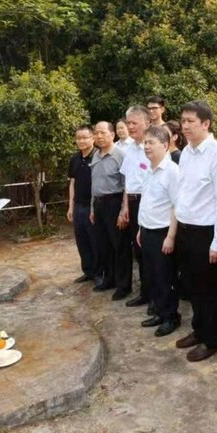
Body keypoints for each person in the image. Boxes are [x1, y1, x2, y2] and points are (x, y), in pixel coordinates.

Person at [173, 100, 217, 362]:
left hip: (207, 232)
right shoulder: (187, 151)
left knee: (209, 289)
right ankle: (198, 330)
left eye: (191, 122)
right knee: (191, 285)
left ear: (206, 124)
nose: (185, 126)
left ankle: (211, 340)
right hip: (186, 229)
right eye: (183, 121)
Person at [136, 125, 181, 336]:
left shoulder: (172, 172)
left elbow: (176, 206)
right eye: (145, 142)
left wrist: (171, 236)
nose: (146, 147)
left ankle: (171, 317)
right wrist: (140, 228)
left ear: (165, 145)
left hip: (163, 232)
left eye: (151, 142)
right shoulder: (149, 168)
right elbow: (146, 200)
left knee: (165, 278)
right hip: (147, 230)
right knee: (152, 275)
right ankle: (160, 312)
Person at [90, 121, 132, 300]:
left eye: (102, 133)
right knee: (104, 244)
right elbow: (94, 184)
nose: (99, 136)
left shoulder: (121, 155)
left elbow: (126, 185)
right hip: (99, 204)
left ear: (112, 134)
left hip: (114, 203)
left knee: (120, 245)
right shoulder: (96, 155)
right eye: (96, 133)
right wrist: (92, 207)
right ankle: (109, 278)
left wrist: (124, 210)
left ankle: (124, 285)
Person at [119, 105, 152, 307]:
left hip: (148, 203)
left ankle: (157, 297)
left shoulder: (152, 146)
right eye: (128, 122)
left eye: (134, 123)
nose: (130, 127)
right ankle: (145, 293)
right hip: (132, 201)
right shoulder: (129, 148)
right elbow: (127, 181)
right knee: (138, 251)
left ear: (147, 123)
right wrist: (125, 207)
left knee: (150, 253)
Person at [68, 125, 100, 284]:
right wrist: (70, 206)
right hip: (79, 205)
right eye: (78, 138)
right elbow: (72, 183)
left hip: (93, 205)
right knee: (81, 240)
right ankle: (87, 271)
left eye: (84, 137)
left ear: (93, 138)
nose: (81, 141)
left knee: (95, 240)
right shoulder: (74, 159)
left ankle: (99, 273)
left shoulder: (98, 157)